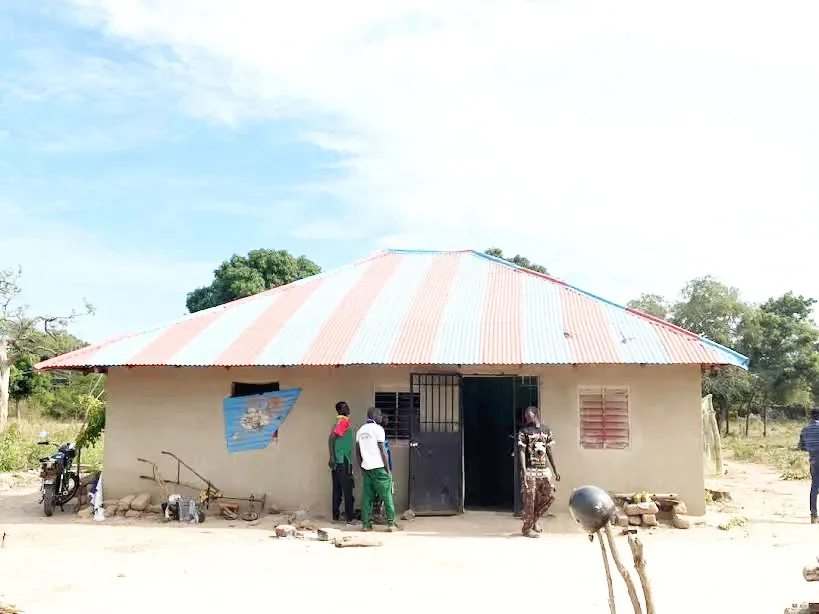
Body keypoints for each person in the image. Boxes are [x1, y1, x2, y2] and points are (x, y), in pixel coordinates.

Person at [517, 406, 560, 538]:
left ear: (536, 414)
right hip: (530, 471)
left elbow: (549, 451)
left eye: (528, 414)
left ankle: (534, 521)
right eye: (525, 415)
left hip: (544, 471)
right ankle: (527, 529)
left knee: (550, 496)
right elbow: (522, 451)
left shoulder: (546, 430)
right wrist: (524, 471)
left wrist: (555, 469)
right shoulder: (524, 431)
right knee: (530, 500)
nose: (526, 416)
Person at [355, 407, 400, 532]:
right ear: (375, 416)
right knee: (387, 496)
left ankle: (366, 524)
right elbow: (383, 451)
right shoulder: (378, 430)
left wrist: (362, 467)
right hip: (379, 468)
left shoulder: (360, 431)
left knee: (367, 497)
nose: (381, 417)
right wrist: (387, 469)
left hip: (367, 468)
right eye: (380, 415)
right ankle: (391, 523)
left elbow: (357, 453)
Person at [328, 401, 355, 525]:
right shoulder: (344, 421)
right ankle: (350, 517)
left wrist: (332, 457)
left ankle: (336, 516)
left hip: (339, 460)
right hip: (343, 459)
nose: (348, 408)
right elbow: (332, 437)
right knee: (347, 489)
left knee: (337, 490)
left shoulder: (337, 422)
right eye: (345, 407)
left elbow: (332, 437)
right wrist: (332, 457)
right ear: (341, 410)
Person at [798, 409, 819, 523]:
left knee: (815, 487)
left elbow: (801, 447)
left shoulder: (805, 429)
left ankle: (814, 515)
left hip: (814, 460)